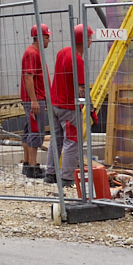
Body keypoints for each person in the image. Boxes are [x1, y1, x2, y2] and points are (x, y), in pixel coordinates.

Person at [46, 23, 93, 189]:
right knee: (72, 141)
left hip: (54, 104)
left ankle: (50, 174)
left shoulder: (63, 52)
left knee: (56, 140)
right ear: (84, 40)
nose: (91, 41)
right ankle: (67, 178)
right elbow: (81, 89)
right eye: (90, 38)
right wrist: (91, 107)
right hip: (68, 107)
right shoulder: (78, 60)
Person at [20, 23, 52, 178]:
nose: (48, 41)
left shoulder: (35, 53)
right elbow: (28, 77)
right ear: (39, 37)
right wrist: (34, 100)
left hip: (36, 98)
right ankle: (32, 166)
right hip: (35, 99)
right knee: (36, 131)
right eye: (47, 37)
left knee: (29, 130)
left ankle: (27, 164)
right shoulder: (32, 53)